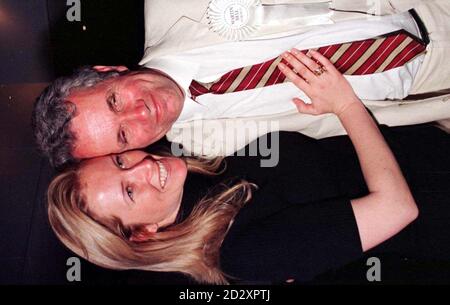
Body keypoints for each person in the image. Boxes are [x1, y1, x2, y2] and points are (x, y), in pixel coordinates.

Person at [46, 51, 450, 284]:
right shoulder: (238, 254)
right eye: (129, 192)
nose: (142, 167)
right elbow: (398, 208)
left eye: (120, 160)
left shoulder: (202, 172)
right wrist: (345, 105)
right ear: (141, 234)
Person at [32, 0, 450, 168]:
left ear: (108, 71)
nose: (140, 113)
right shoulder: (205, 145)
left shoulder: (174, 6)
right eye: (123, 135)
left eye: (114, 101)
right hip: (425, 92)